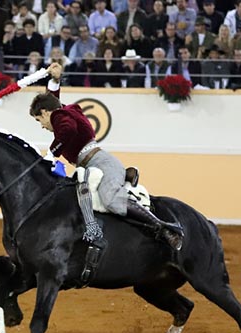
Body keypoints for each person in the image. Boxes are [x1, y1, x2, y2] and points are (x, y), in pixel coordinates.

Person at [29, 62, 184, 250]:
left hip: (99, 163)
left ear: (45, 113)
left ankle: (165, 228)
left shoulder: (60, 117)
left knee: (110, 200)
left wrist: (51, 155)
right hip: (92, 165)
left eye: (39, 120)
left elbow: (67, 131)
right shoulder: (63, 112)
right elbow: (52, 101)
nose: (42, 126)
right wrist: (54, 80)